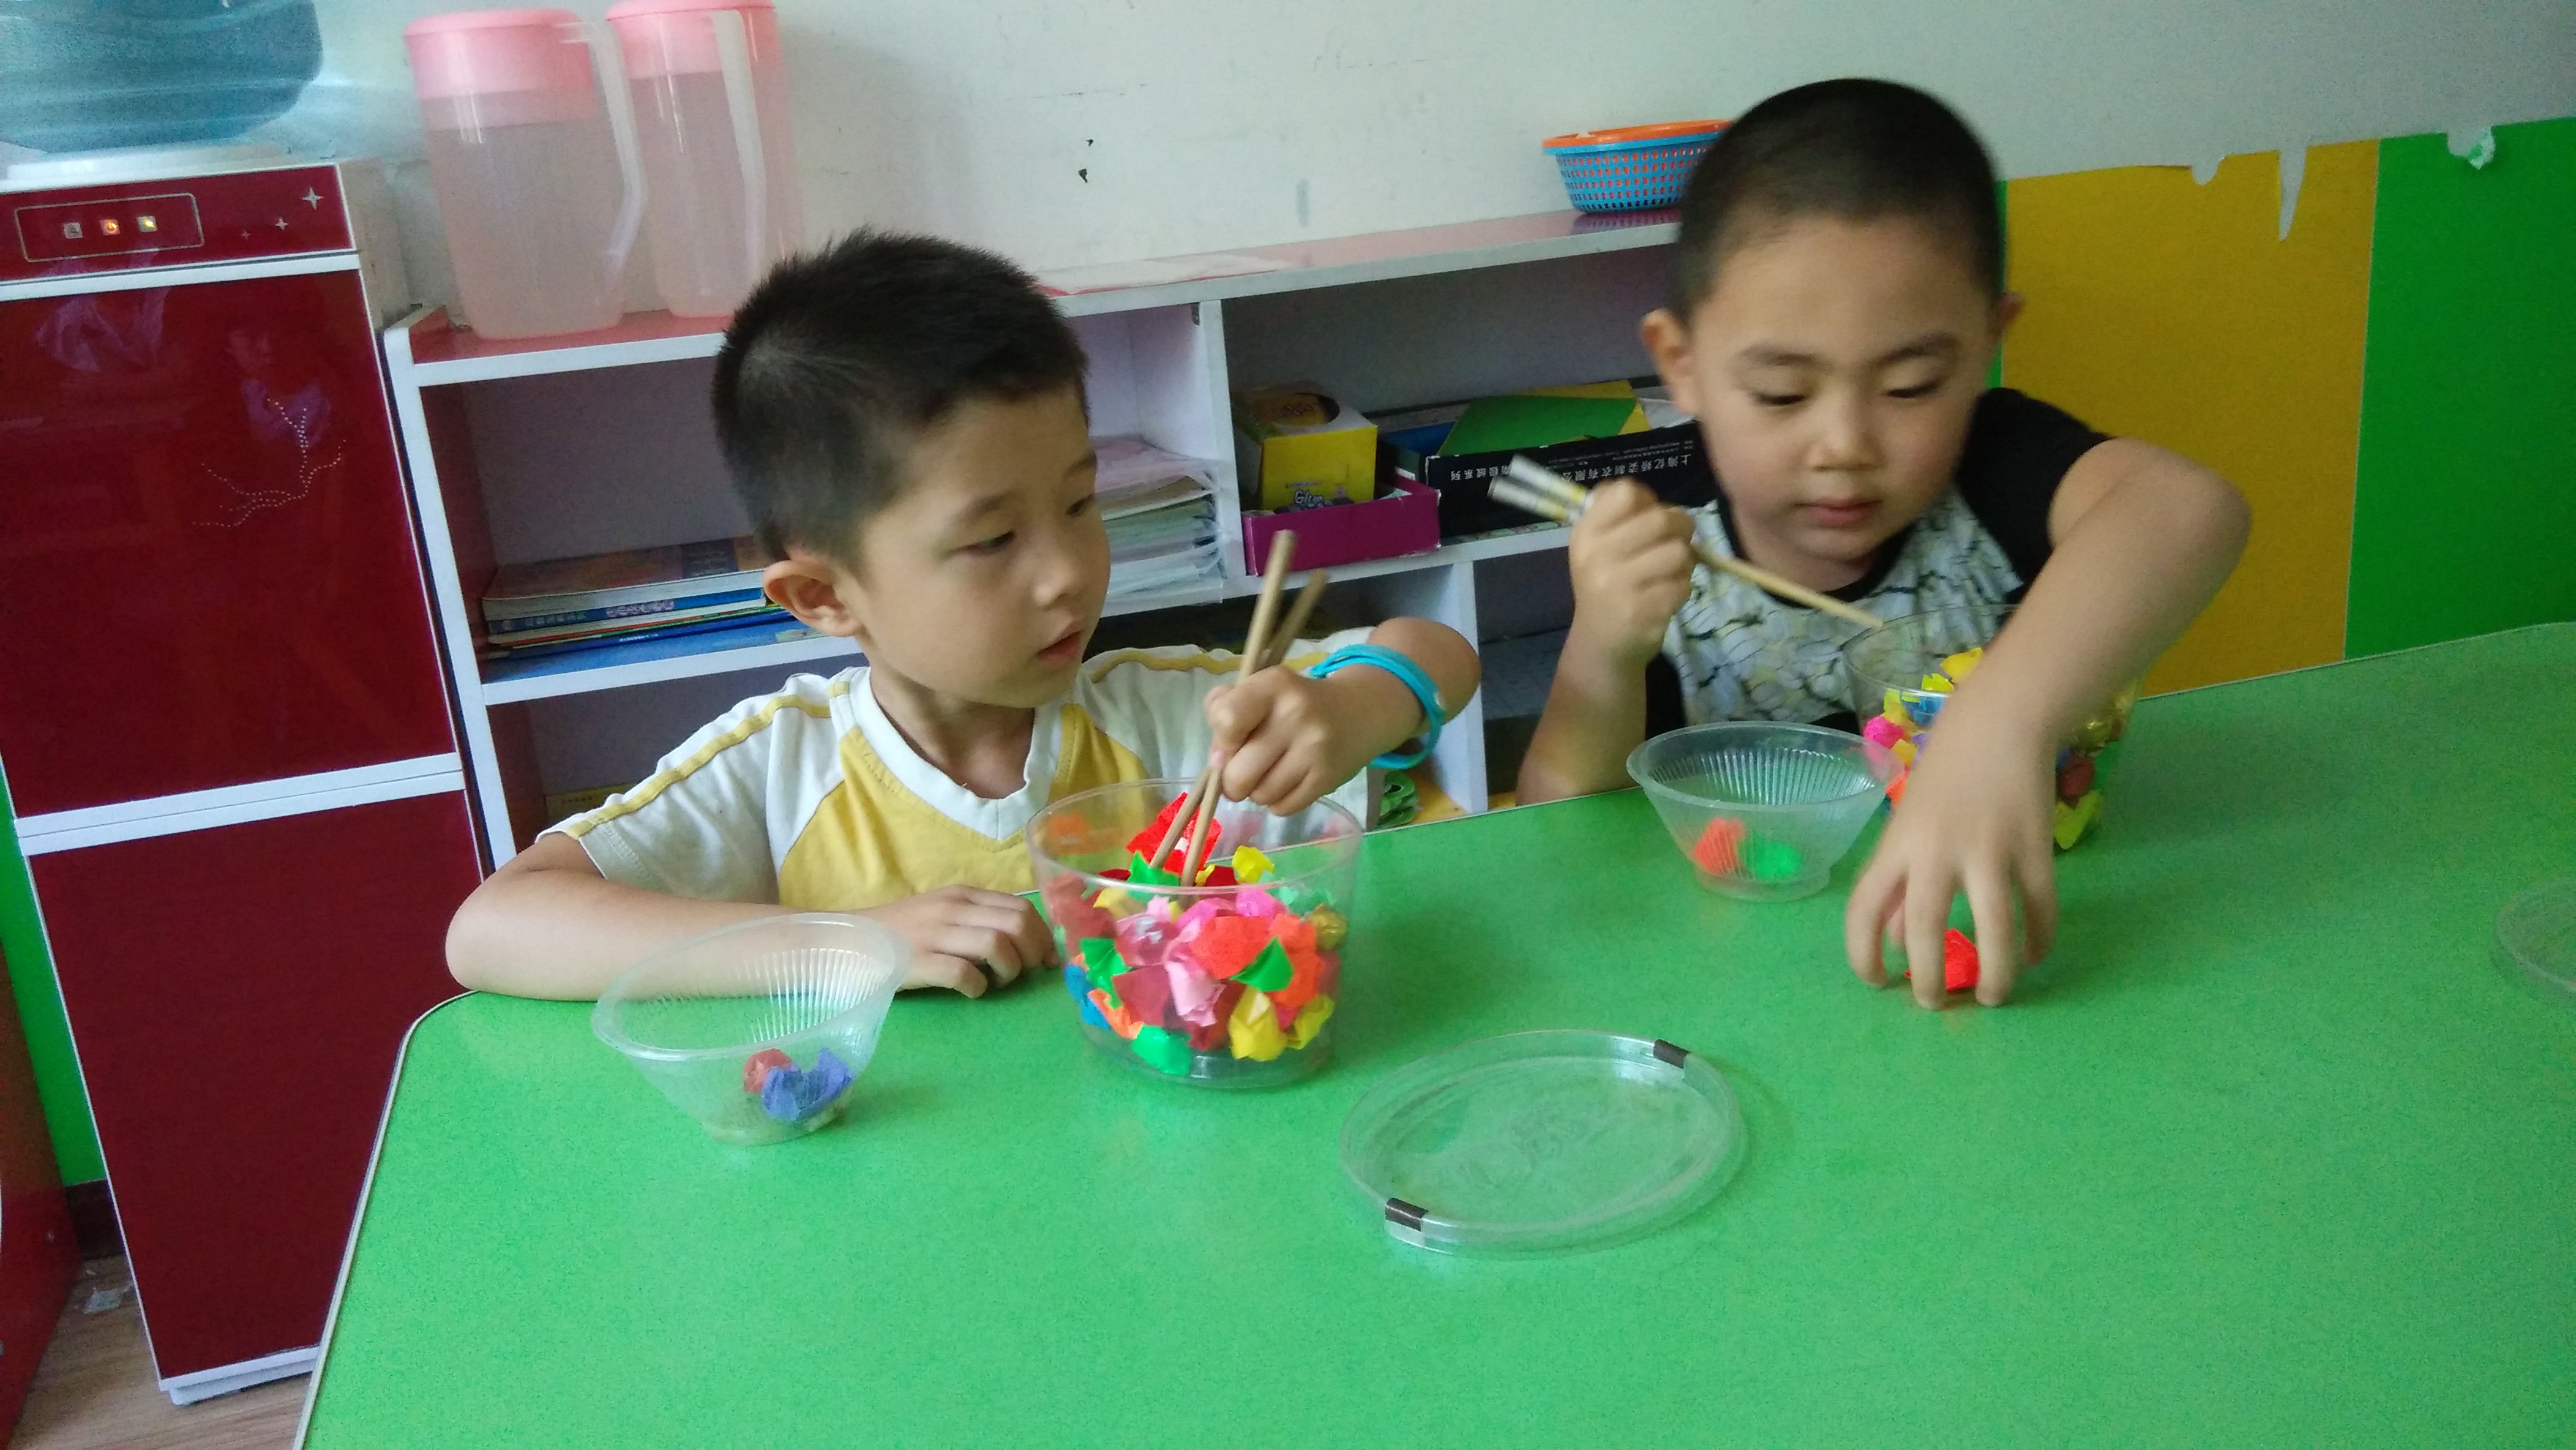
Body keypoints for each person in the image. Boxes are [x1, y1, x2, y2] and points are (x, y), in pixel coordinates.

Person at [447, 233, 1478, 1000]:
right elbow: (495, 926)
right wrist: (846, 944)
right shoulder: (783, 770)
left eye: (1080, 503)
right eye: (992, 540)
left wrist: (1356, 710)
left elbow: (1434, 651)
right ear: (824, 596)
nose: (1066, 574)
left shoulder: (1165, 718)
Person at [1515, 78, 2248, 1008]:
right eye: (1783, 393)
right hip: (1736, 992)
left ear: (1986, 344)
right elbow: (1559, 832)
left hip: (2024, 966)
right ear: (1683, 365)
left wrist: (1995, 726)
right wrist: (1605, 646)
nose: (1845, 446)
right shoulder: (1663, 554)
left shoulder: (1997, 466)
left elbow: (2191, 508)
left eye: (1910, 387)